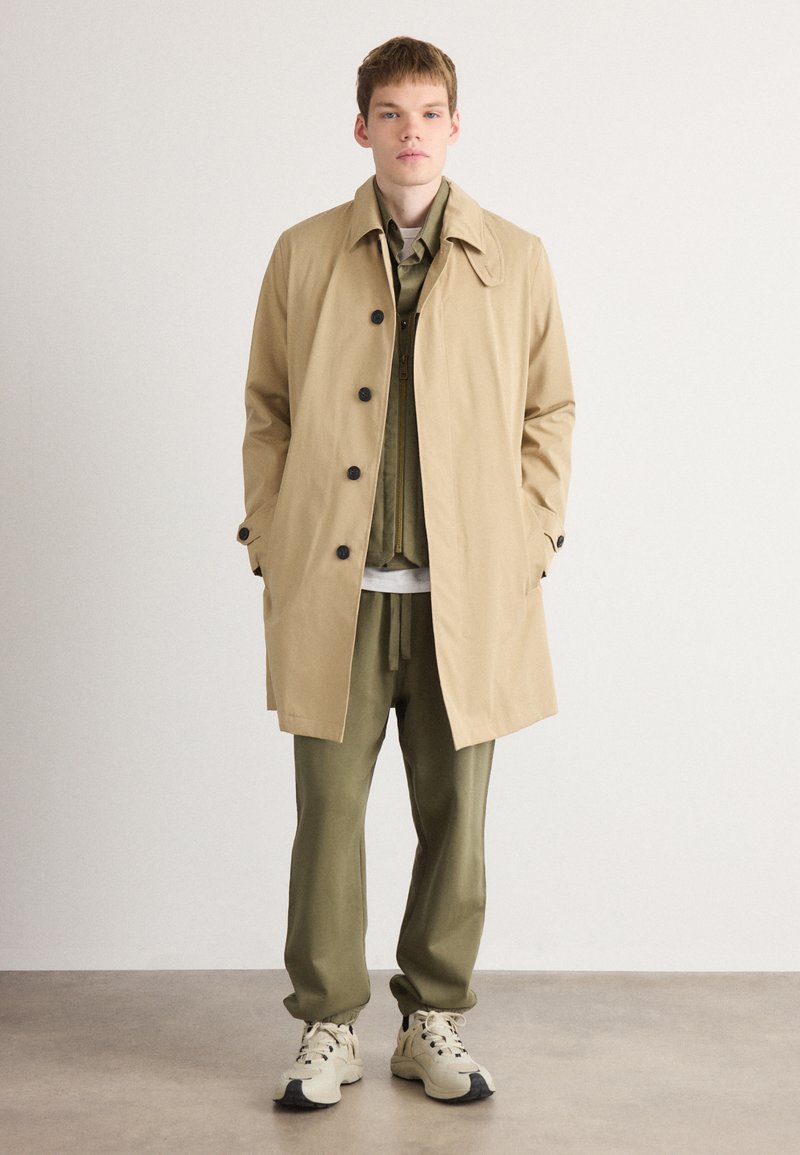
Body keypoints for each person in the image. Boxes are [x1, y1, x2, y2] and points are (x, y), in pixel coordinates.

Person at [237, 35, 575, 1109]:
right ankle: (328, 1026)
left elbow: (549, 411)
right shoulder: (303, 253)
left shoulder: (514, 257)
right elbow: (267, 408)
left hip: (467, 602)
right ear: (361, 128)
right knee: (328, 821)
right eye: (390, 113)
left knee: (456, 824)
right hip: (336, 595)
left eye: (429, 113)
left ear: (454, 127)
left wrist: (531, 541)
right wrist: (270, 539)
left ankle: (432, 1018)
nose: (410, 132)